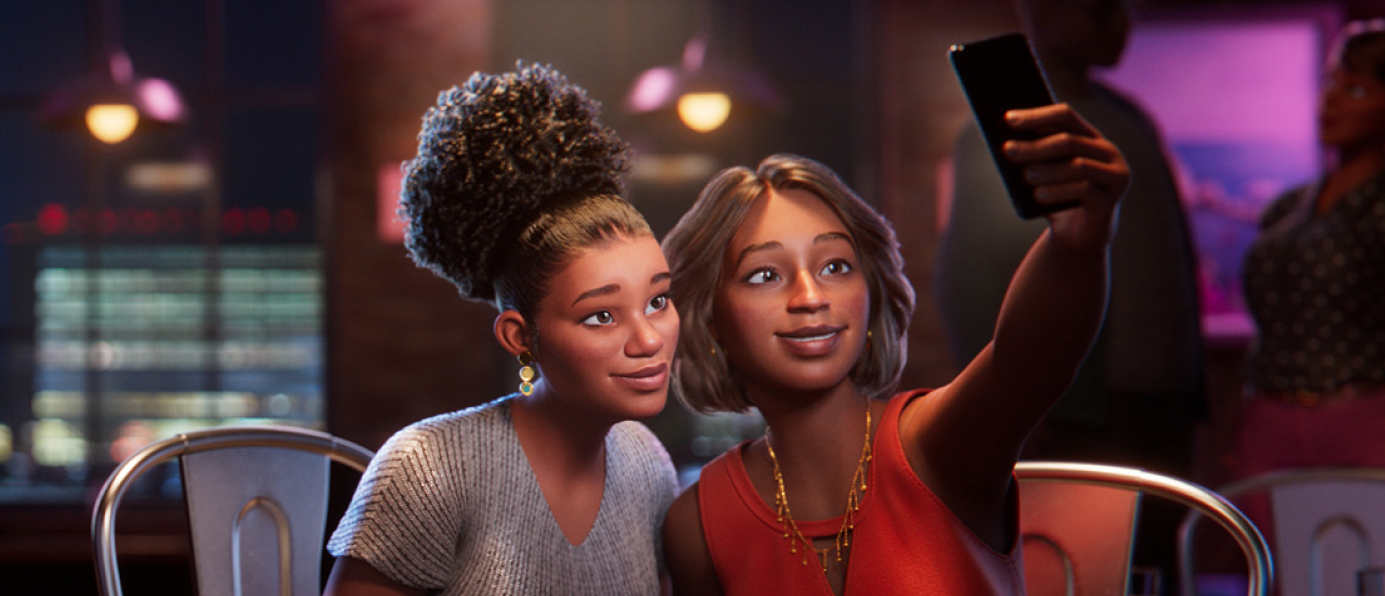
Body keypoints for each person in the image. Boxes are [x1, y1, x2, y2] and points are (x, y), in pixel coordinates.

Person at [659, 112, 1127, 593]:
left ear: (871, 293)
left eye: (836, 266)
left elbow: (1027, 362)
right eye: (765, 275)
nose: (810, 296)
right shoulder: (696, 525)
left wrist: (1077, 244)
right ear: (712, 321)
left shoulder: (934, 447)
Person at [323, 63, 681, 596]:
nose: (650, 340)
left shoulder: (647, 465)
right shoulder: (428, 467)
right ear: (520, 336)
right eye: (601, 315)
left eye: (658, 301)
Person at [939, 0, 1205, 477]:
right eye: (1101, 11)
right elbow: (970, 275)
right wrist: (1000, 395)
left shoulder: (1127, 115)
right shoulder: (1005, 132)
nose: (1125, 24)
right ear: (1044, 13)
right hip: (1080, 406)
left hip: (1161, 404)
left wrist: (1194, 389)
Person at [1229, 19, 1385, 481]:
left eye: (1355, 91)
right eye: (1331, 83)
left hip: (1362, 420)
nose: (1331, 100)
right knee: (1259, 545)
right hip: (1269, 417)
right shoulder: (1288, 207)